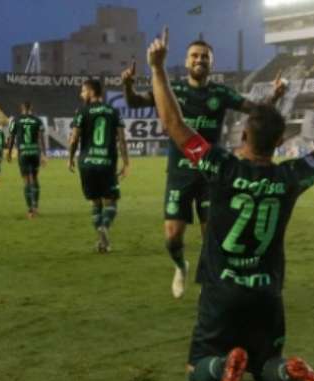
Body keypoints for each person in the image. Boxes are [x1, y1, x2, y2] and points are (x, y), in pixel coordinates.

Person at [149, 28, 314, 381]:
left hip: (222, 291)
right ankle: (287, 370)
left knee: (196, 369)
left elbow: (174, 124)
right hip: (267, 293)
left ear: (243, 136)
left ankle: (223, 367)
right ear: (278, 143)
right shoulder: (289, 177)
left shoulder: (221, 166)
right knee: (266, 363)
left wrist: (157, 69)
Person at [122, 38, 288, 298]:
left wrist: (275, 95)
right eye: (195, 56)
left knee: (212, 234)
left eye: (204, 57)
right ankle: (180, 265)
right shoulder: (171, 89)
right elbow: (136, 103)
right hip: (180, 173)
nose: (199, 60)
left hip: (213, 174)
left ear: (212, 63)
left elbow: (256, 111)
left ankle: (209, 282)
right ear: (187, 61)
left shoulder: (220, 93)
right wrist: (127, 85)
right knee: (172, 236)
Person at [68, 79, 130, 252]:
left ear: (91, 92)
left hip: (87, 163)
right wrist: (126, 163)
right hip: (107, 163)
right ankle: (104, 228)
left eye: (83, 91)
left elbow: (74, 139)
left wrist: (70, 158)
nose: (81, 95)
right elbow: (122, 140)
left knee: (96, 203)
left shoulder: (82, 111)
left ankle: (103, 242)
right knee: (111, 202)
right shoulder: (113, 111)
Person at [7, 102, 46, 218]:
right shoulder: (38, 121)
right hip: (34, 153)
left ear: (21, 108)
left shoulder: (15, 120)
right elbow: (40, 138)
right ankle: (36, 207)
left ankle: (30, 211)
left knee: (26, 181)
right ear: (31, 108)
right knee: (35, 179)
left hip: (23, 153)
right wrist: (43, 154)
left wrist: (9, 153)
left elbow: (11, 137)